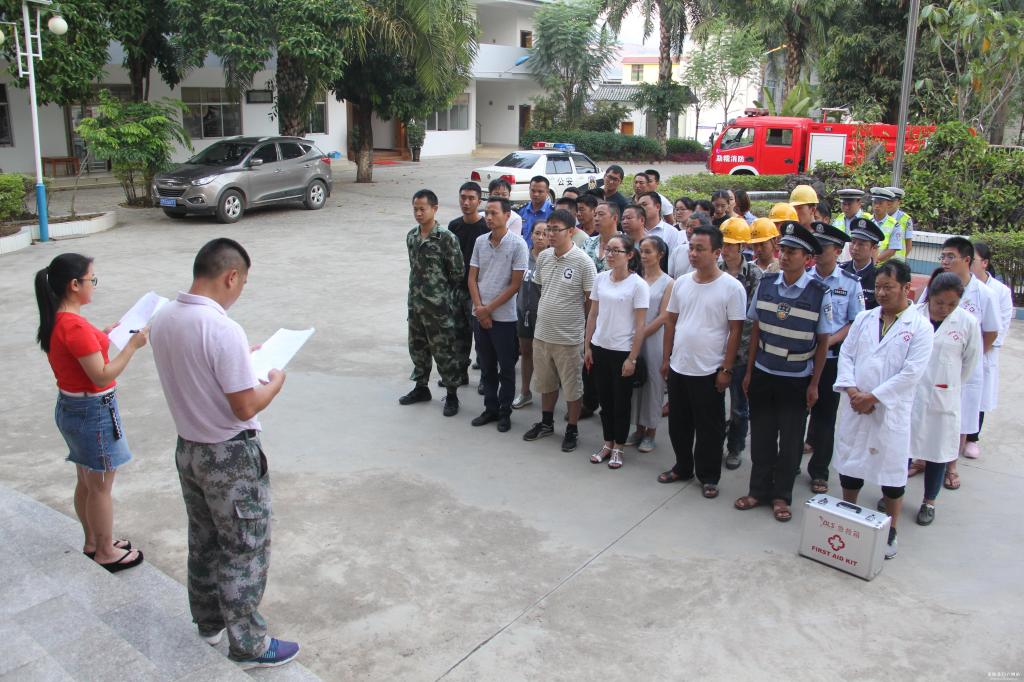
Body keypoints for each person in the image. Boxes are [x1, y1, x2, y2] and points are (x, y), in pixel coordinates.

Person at [149, 238, 299, 667]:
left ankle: (208, 620)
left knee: (204, 539)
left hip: (189, 449)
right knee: (243, 547)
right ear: (231, 276)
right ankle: (249, 644)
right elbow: (245, 406)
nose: (240, 291)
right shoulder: (221, 328)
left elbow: (197, 367)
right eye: (243, 283)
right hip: (229, 458)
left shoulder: (164, 317)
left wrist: (239, 360)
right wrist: (275, 384)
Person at [34, 253, 147, 573]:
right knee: (100, 486)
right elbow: (101, 375)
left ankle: (93, 541)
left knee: (86, 479)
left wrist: (104, 335)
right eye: (91, 279)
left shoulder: (60, 320)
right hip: (94, 412)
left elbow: (81, 353)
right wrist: (132, 346)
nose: (93, 285)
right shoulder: (75, 327)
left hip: (72, 407)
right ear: (74, 285)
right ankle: (106, 551)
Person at [832, 260, 933, 559]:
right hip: (855, 404)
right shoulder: (865, 318)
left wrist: (873, 398)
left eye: (888, 287)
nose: (881, 293)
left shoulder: (920, 328)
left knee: (891, 475)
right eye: (878, 287)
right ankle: (848, 517)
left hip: (889, 411)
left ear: (906, 288)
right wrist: (853, 391)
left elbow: (911, 373)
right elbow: (846, 355)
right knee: (850, 465)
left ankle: (891, 531)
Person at [735, 221, 832, 523]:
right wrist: (749, 372)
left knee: (790, 442)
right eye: (784, 250)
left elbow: (823, 341)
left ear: (808, 258)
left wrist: (814, 384)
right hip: (764, 373)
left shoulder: (819, 293)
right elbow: (756, 330)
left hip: (796, 379)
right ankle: (758, 490)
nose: (785, 256)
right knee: (762, 436)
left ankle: (781, 496)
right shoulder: (766, 284)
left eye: (793, 252)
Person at [657, 226, 746, 497]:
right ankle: (683, 467)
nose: (693, 254)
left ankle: (708, 476)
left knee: (710, 428)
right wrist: (666, 359)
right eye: (691, 248)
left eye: (700, 249)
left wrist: (726, 369)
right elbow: (671, 322)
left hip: (709, 370)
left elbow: (735, 332)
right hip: (679, 366)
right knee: (679, 424)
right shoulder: (682, 283)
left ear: (717, 253)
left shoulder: (732, 287)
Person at [920, 237, 999, 488]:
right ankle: (921, 459)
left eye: (950, 256)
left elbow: (991, 332)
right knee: (926, 417)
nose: (945, 261)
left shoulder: (985, 294)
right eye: (943, 256)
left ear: (966, 260)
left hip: (963, 367)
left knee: (958, 419)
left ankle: (951, 467)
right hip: (931, 367)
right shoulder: (934, 286)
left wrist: (964, 361)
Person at [907, 271, 981, 526]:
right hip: (911, 394)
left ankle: (929, 501)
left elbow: (970, 363)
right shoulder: (912, 316)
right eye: (940, 303)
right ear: (930, 296)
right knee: (903, 448)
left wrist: (949, 385)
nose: (945, 309)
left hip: (943, 396)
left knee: (937, 451)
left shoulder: (967, 322)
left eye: (952, 304)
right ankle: (894, 492)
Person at [523, 208, 597, 453]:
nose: (551, 234)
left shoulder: (583, 262)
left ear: (571, 231)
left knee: (572, 387)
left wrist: (585, 334)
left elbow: (590, 301)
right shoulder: (544, 257)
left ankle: (572, 429)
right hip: (542, 333)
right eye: (549, 229)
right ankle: (546, 423)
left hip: (569, 337)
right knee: (546, 383)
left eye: (556, 229)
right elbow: (540, 289)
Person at [803, 222, 864, 494]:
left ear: (838, 251)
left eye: (823, 247)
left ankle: (819, 471)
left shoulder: (850, 284)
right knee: (796, 414)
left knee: (825, 417)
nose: (817, 251)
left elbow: (855, 322)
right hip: (802, 357)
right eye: (814, 246)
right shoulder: (804, 277)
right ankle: (790, 461)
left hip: (829, 359)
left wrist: (829, 340)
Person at [585, 234, 650, 469]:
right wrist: (587, 346)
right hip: (600, 347)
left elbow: (640, 325)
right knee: (605, 400)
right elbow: (593, 314)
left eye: (616, 251)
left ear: (630, 255)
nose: (610, 255)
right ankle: (607, 443)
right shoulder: (600, 278)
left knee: (621, 402)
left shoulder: (638, 285)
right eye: (608, 250)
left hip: (623, 351)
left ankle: (619, 446)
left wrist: (632, 358)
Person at [399, 189, 465, 416]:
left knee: (444, 351)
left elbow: (457, 273)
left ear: (434, 209)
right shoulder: (412, 236)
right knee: (417, 348)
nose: (418, 213)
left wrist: (441, 296)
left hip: (439, 308)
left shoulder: (446, 238)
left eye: (422, 209)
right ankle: (421, 387)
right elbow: (414, 268)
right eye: (415, 209)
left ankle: (452, 395)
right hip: (416, 305)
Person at [468, 197, 530, 432]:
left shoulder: (518, 245)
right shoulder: (480, 241)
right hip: (480, 314)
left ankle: (505, 412)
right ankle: (490, 408)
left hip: (504, 318)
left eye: (494, 213)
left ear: (507, 215)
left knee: (506, 367)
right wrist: (479, 308)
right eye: (486, 213)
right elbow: (472, 278)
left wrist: (488, 309)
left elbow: (515, 285)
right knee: (486, 366)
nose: (489, 217)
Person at [718, 217, 763, 470]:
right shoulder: (715, 269)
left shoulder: (755, 275)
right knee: (714, 404)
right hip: (715, 349)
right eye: (723, 243)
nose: (725, 249)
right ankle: (715, 442)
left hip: (742, 352)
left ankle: (735, 447)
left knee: (738, 407)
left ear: (741, 246)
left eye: (730, 244)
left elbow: (753, 318)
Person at [964, 242, 1013, 459]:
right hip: (958, 350)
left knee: (978, 395)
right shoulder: (957, 284)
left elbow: (999, 328)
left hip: (984, 352)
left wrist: (978, 352)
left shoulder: (1000, 292)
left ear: (984, 263)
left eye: (972, 259)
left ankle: (972, 438)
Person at [627, 236, 674, 453]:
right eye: (642, 251)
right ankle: (638, 429)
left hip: (654, 340)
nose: (644, 256)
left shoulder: (668, 283)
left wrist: (641, 333)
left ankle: (651, 432)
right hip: (632, 337)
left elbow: (664, 316)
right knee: (636, 383)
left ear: (660, 254)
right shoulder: (635, 279)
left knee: (654, 383)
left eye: (648, 252)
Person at [447, 181, 489, 387]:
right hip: (457, 290)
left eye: (471, 198)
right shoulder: (454, 226)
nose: (466, 202)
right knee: (458, 335)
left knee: (481, 337)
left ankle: (485, 378)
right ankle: (460, 373)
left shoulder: (486, 228)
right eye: (463, 198)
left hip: (479, 292)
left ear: (479, 201)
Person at [513, 221, 549, 410]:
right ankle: (525, 392)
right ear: (531, 235)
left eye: (545, 234)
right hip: (523, 314)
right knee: (526, 352)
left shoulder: (552, 259)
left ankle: (548, 398)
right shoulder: (523, 256)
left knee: (545, 357)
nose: (540, 237)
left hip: (544, 317)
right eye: (537, 233)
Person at [840, 217, 884, 310]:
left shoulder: (878, 277)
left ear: (874, 247)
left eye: (861, 244)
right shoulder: (840, 271)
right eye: (853, 242)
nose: (855, 247)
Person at [669, 212, 711, 279]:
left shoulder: (712, 254)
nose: (688, 231)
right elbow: (670, 277)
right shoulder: (678, 250)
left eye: (693, 228)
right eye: (687, 227)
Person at [583, 201, 621, 274]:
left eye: (601, 214)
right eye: (595, 215)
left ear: (615, 218)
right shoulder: (588, 242)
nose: (596, 219)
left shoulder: (625, 244)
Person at [519, 175, 553, 247]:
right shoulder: (521, 210)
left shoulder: (553, 212)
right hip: (525, 251)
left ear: (547, 192)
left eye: (540, 191)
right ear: (529, 189)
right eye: (533, 191)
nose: (536, 194)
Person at [869, 187, 901, 263]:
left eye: (880, 203)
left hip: (882, 266)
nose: (877, 206)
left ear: (888, 205)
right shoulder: (867, 221)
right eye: (875, 202)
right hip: (865, 264)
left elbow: (892, 250)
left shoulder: (894, 225)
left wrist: (874, 260)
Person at [886, 187, 913, 258]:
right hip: (879, 261)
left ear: (899, 202)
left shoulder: (906, 219)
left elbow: (908, 244)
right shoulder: (877, 217)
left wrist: (902, 259)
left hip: (897, 261)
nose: (889, 203)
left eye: (892, 201)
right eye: (887, 200)